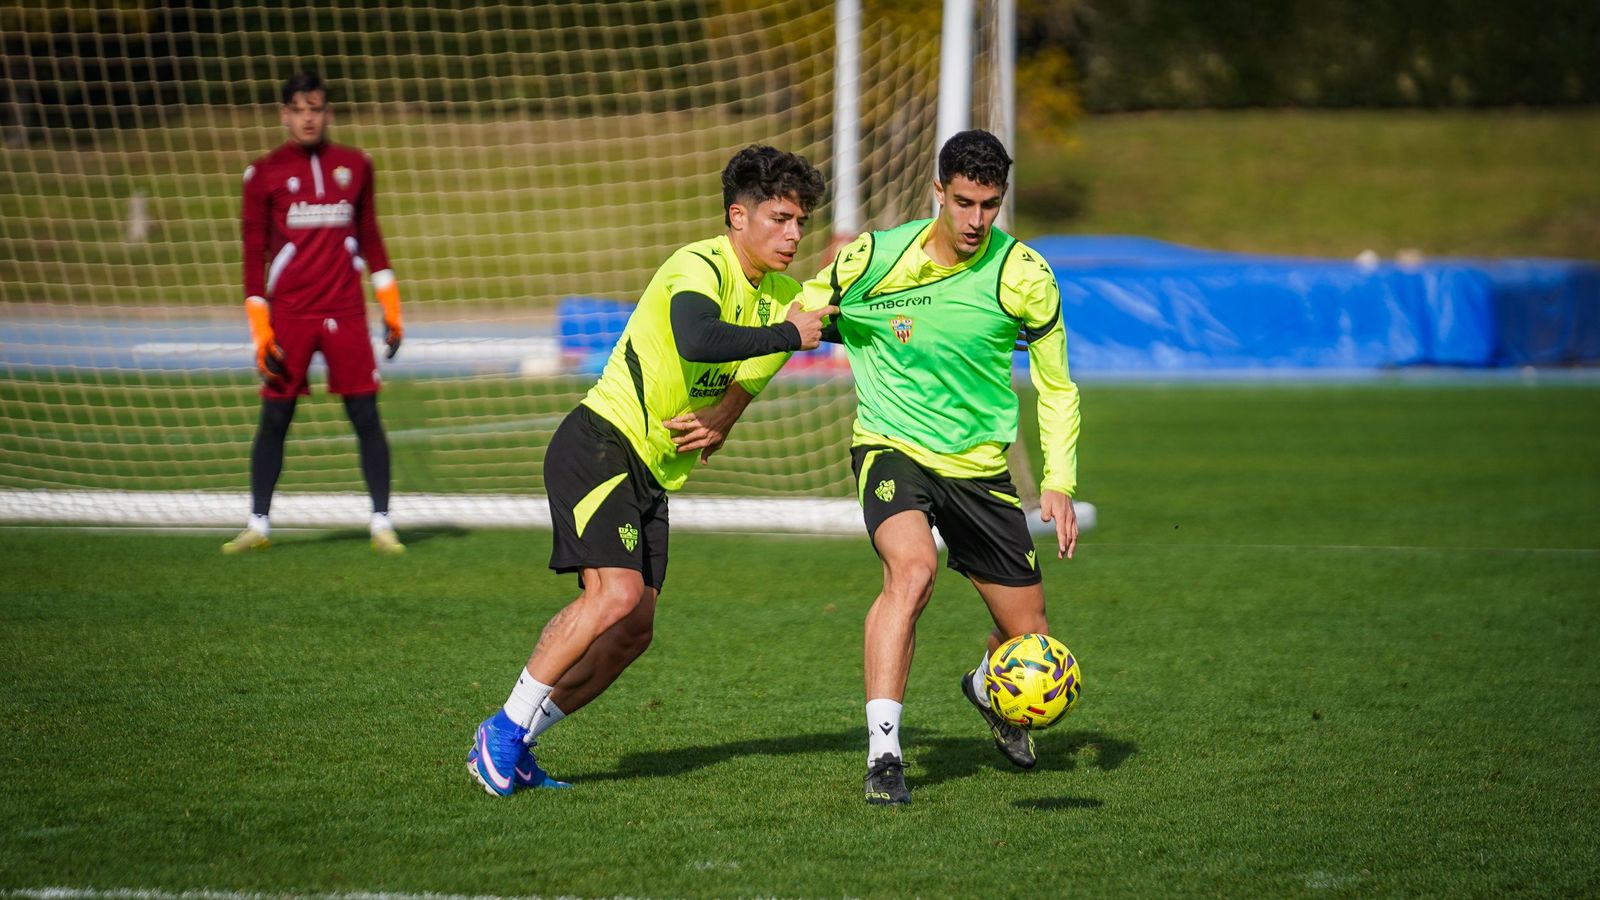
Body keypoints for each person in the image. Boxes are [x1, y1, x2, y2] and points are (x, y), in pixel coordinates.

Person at [467, 145, 834, 796]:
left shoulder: (779, 294)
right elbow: (699, 338)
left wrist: (726, 412)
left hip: (653, 472)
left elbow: (821, 332)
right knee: (614, 595)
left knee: (634, 632)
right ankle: (500, 728)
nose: (793, 234)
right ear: (737, 216)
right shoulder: (699, 265)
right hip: (598, 442)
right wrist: (789, 336)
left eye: (801, 222)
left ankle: (520, 742)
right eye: (779, 218)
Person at [800, 129, 1081, 804]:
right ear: (939, 191)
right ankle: (885, 754)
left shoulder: (1024, 275)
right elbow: (800, 315)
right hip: (891, 445)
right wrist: (725, 401)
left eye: (990, 204)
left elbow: (1058, 385)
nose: (977, 220)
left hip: (980, 469)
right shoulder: (874, 256)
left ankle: (987, 688)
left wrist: (1059, 480)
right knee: (913, 570)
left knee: (1030, 637)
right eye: (964, 202)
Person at [224, 72, 406, 556]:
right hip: (290, 316)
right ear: (284, 114)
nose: (308, 117)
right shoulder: (262, 173)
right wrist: (260, 331)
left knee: (366, 414)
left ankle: (382, 523)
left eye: (317, 109)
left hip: (345, 312)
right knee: (275, 417)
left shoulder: (356, 166)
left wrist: (391, 307)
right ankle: (258, 525)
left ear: (328, 113)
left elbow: (371, 240)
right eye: (299, 110)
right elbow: (252, 256)